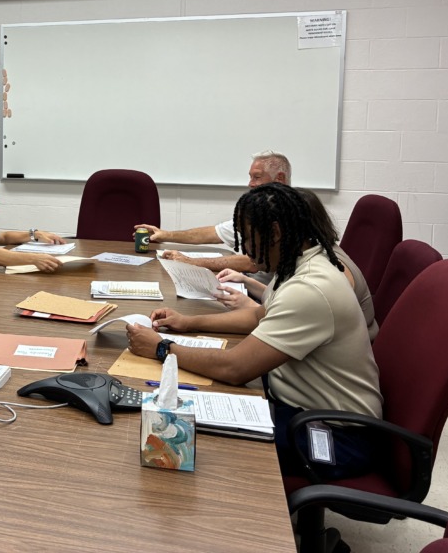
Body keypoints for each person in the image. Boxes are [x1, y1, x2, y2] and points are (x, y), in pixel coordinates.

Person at [126, 183, 382, 480]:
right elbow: (259, 315)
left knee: (193, 436)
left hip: (337, 436)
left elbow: (235, 368)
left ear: (274, 233)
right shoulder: (300, 264)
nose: (245, 249)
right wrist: (188, 322)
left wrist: (161, 348)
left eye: (247, 238)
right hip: (302, 409)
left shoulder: (311, 288)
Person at [214, 187, 378, 342]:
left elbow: (304, 310)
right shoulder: (310, 253)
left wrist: (250, 305)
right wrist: (247, 282)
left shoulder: (323, 274)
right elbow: (284, 299)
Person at [134, 150, 291, 277]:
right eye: (250, 177)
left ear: (280, 178)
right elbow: (214, 233)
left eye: (257, 177)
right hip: (254, 287)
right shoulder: (260, 210)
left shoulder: (290, 213)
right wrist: (165, 234)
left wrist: (192, 262)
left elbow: (253, 262)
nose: (250, 184)